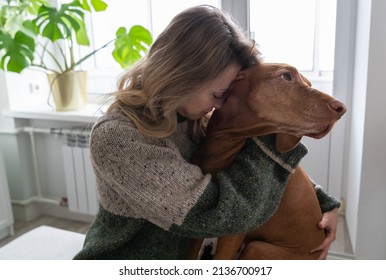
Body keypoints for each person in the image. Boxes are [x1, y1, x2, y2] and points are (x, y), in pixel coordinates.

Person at [73, 5, 339, 260]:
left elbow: (239, 164)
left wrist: (323, 202)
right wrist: (275, 137)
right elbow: (221, 214)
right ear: (183, 76)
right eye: (218, 94)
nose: (221, 105)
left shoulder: (192, 117)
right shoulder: (119, 138)